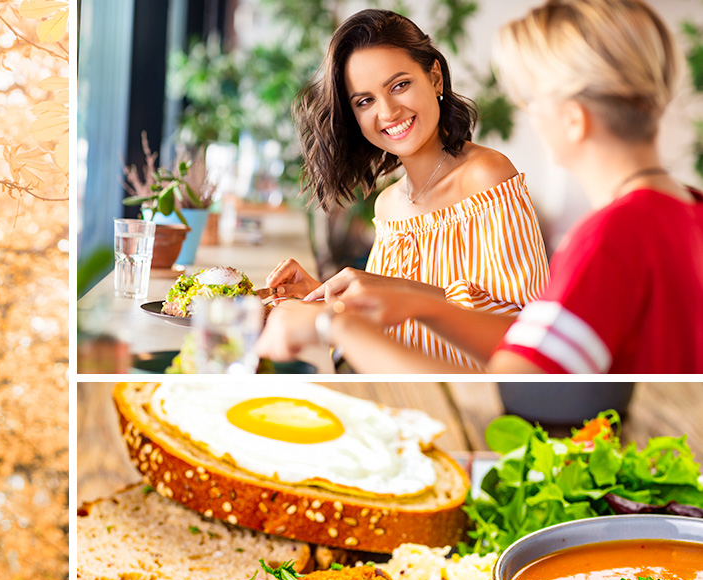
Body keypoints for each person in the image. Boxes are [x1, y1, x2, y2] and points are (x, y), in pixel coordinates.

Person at [256, 0, 703, 374]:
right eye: (365, 100)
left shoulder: (607, 241)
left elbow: (511, 386)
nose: (528, 117)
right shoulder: (687, 210)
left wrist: (334, 328)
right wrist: (339, 302)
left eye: (530, 101)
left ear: (572, 119)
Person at [265, 8, 549, 367]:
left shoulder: (486, 177)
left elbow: (530, 335)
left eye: (399, 85)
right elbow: (395, 329)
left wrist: (403, 293)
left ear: (434, 78)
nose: (387, 112)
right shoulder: (388, 206)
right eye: (365, 101)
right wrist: (324, 300)